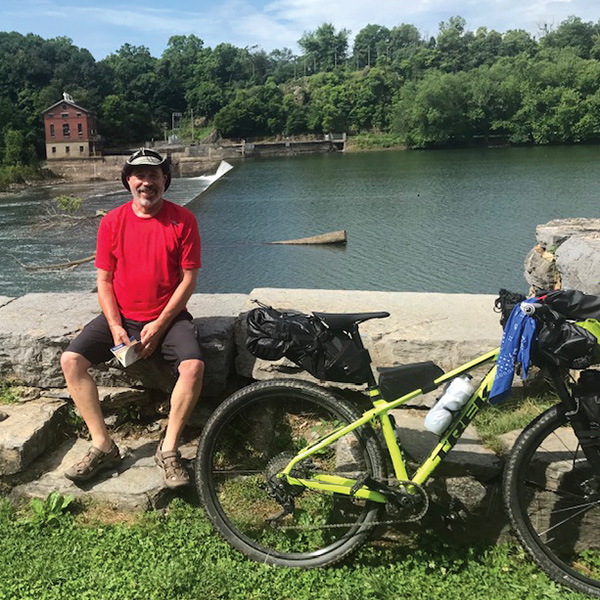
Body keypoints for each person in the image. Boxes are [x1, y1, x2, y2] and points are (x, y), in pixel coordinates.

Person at [60, 148, 204, 489]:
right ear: (128, 181)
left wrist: (160, 323)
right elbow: (104, 280)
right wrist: (114, 326)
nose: (146, 182)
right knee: (70, 361)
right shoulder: (112, 221)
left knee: (194, 366)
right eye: (139, 175)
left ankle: (167, 450)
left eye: (154, 175)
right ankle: (103, 445)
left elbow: (188, 280)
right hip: (121, 317)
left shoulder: (184, 220)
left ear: (165, 181)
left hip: (169, 318)